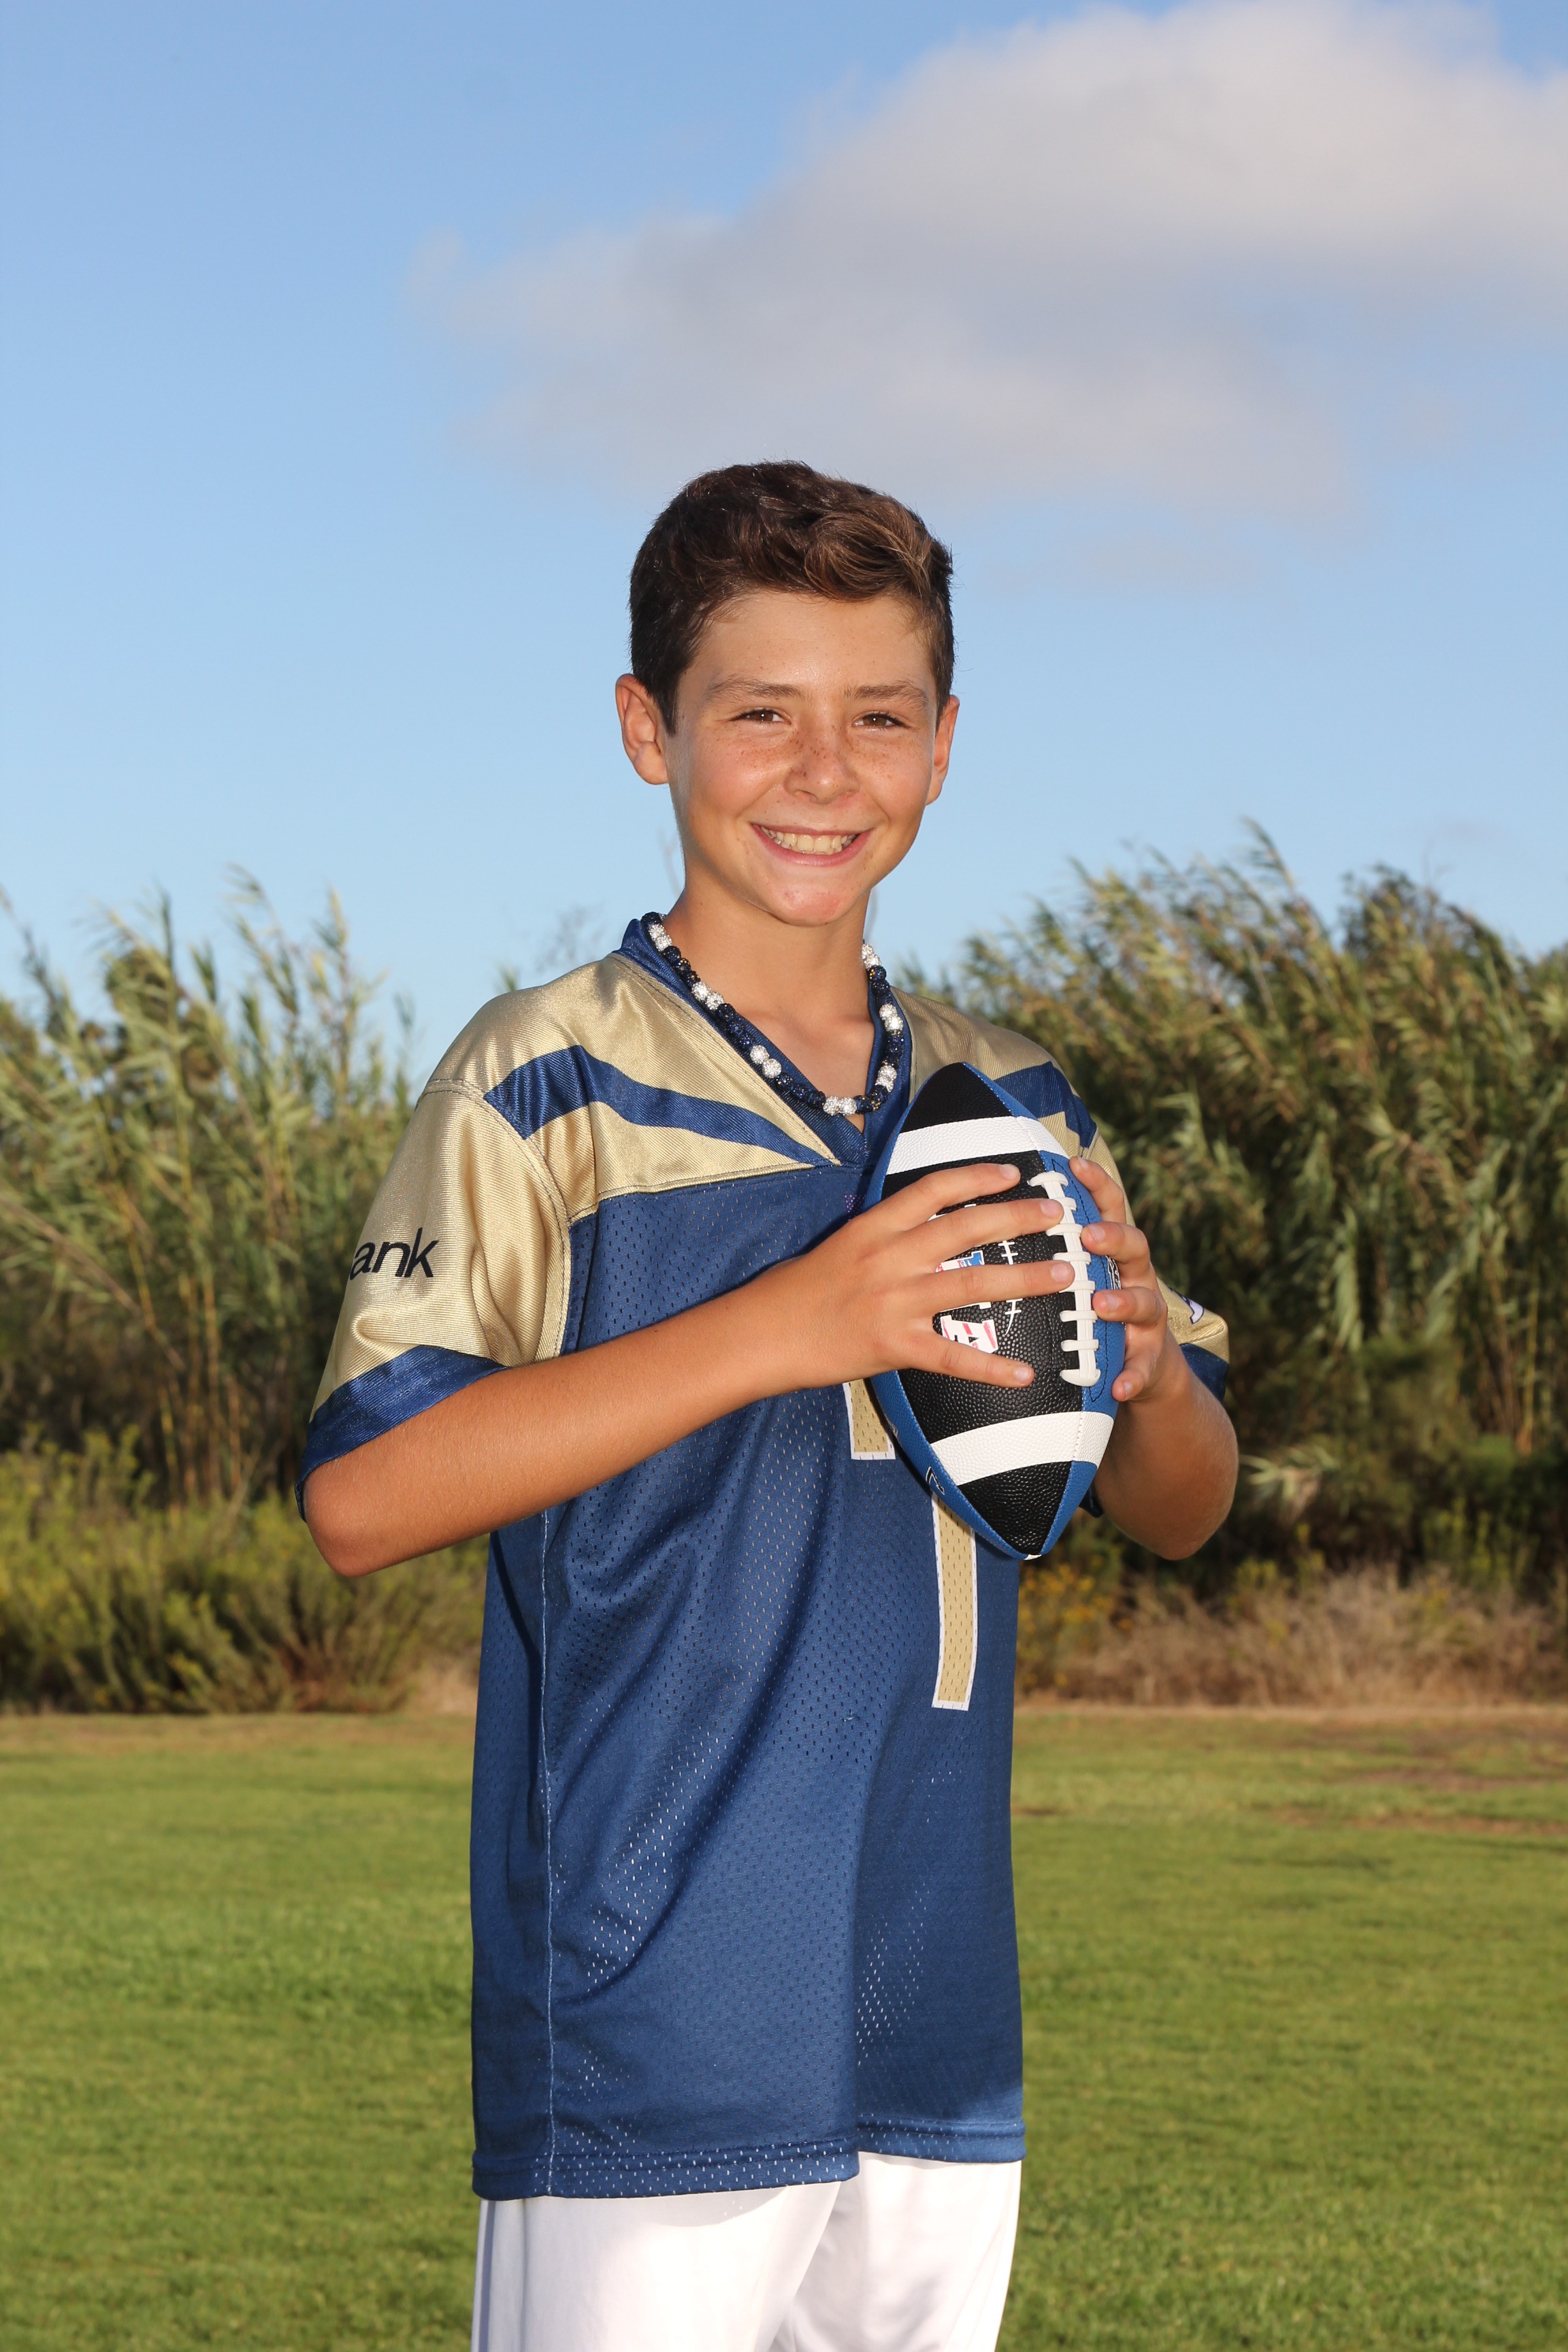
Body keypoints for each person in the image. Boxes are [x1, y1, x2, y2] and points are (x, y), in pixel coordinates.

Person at [301, 461, 1237, 2352]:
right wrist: (793, 1322)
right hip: (654, 1999)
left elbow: (1186, 1501)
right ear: (650, 731)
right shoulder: (546, 1078)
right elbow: (366, 1496)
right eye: (761, 714)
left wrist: (1142, 1370)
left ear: (946, 744)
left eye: (879, 716)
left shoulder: (1013, 1099)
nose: (824, 770)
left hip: (936, 2001)